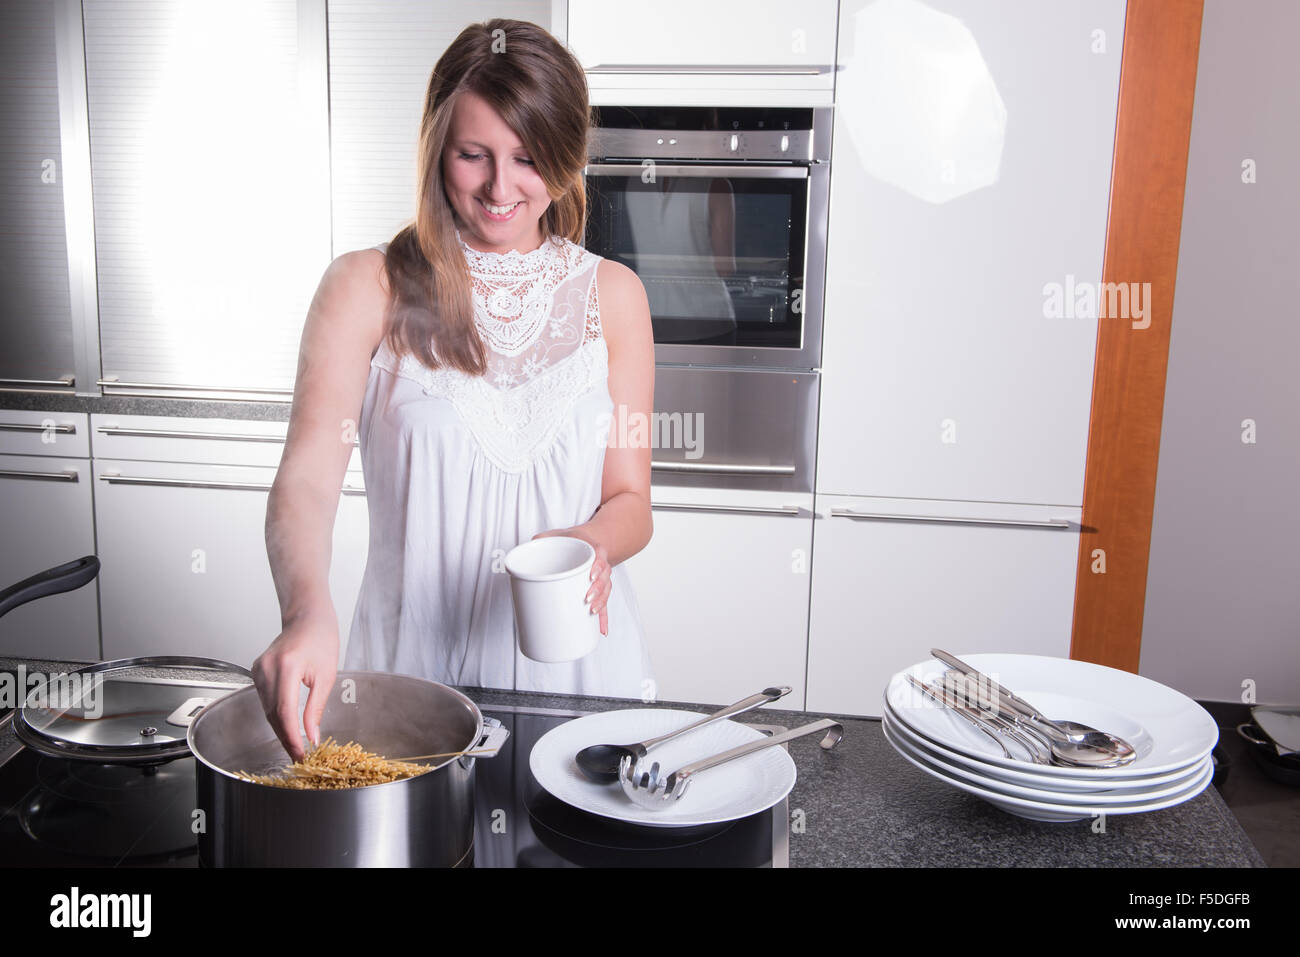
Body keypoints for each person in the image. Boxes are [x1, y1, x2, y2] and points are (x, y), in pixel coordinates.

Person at [253, 18, 656, 761]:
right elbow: (306, 480)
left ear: (565, 159)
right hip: (411, 685)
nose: (501, 188)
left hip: (580, 678)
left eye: (529, 159)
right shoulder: (363, 286)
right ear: (438, 147)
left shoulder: (615, 296)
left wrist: (592, 542)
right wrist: (306, 611)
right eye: (474, 155)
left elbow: (632, 501)